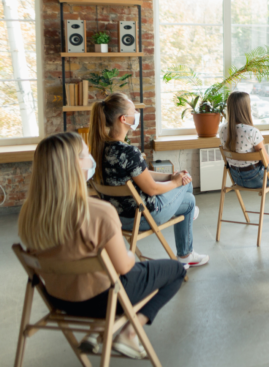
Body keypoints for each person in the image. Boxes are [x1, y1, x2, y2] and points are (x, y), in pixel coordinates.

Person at [18, 132, 186, 359]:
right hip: (102, 301)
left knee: (102, 273)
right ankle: (128, 332)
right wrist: (127, 254)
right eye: (86, 155)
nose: (91, 160)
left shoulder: (29, 214)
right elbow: (125, 266)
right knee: (176, 270)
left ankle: (97, 331)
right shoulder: (98, 212)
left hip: (60, 299)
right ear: (74, 165)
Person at [89, 92, 209, 267]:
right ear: (123, 119)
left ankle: (188, 218)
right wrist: (176, 181)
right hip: (142, 216)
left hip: (117, 217)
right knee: (188, 192)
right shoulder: (129, 152)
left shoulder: (101, 148)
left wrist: (170, 176)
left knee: (185, 191)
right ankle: (185, 253)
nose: (136, 113)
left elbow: (141, 174)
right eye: (133, 111)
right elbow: (151, 189)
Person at [219, 91, 269, 220]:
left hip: (236, 179)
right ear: (245, 108)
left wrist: (268, 157)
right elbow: (266, 163)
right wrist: (268, 158)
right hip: (257, 180)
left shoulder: (223, 129)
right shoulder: (252, 131)